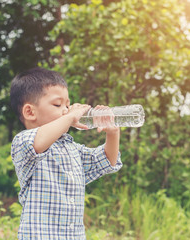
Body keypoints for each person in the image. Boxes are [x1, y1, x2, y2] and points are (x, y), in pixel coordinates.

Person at [10, 67, 122, 239]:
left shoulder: (71, 148)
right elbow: (38, 142)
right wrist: (70, 117)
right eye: (57, 104)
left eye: (68, 105)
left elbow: (107, 160)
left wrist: (112, 133)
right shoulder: (23, 142)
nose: (66, 110)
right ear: (30, 112)